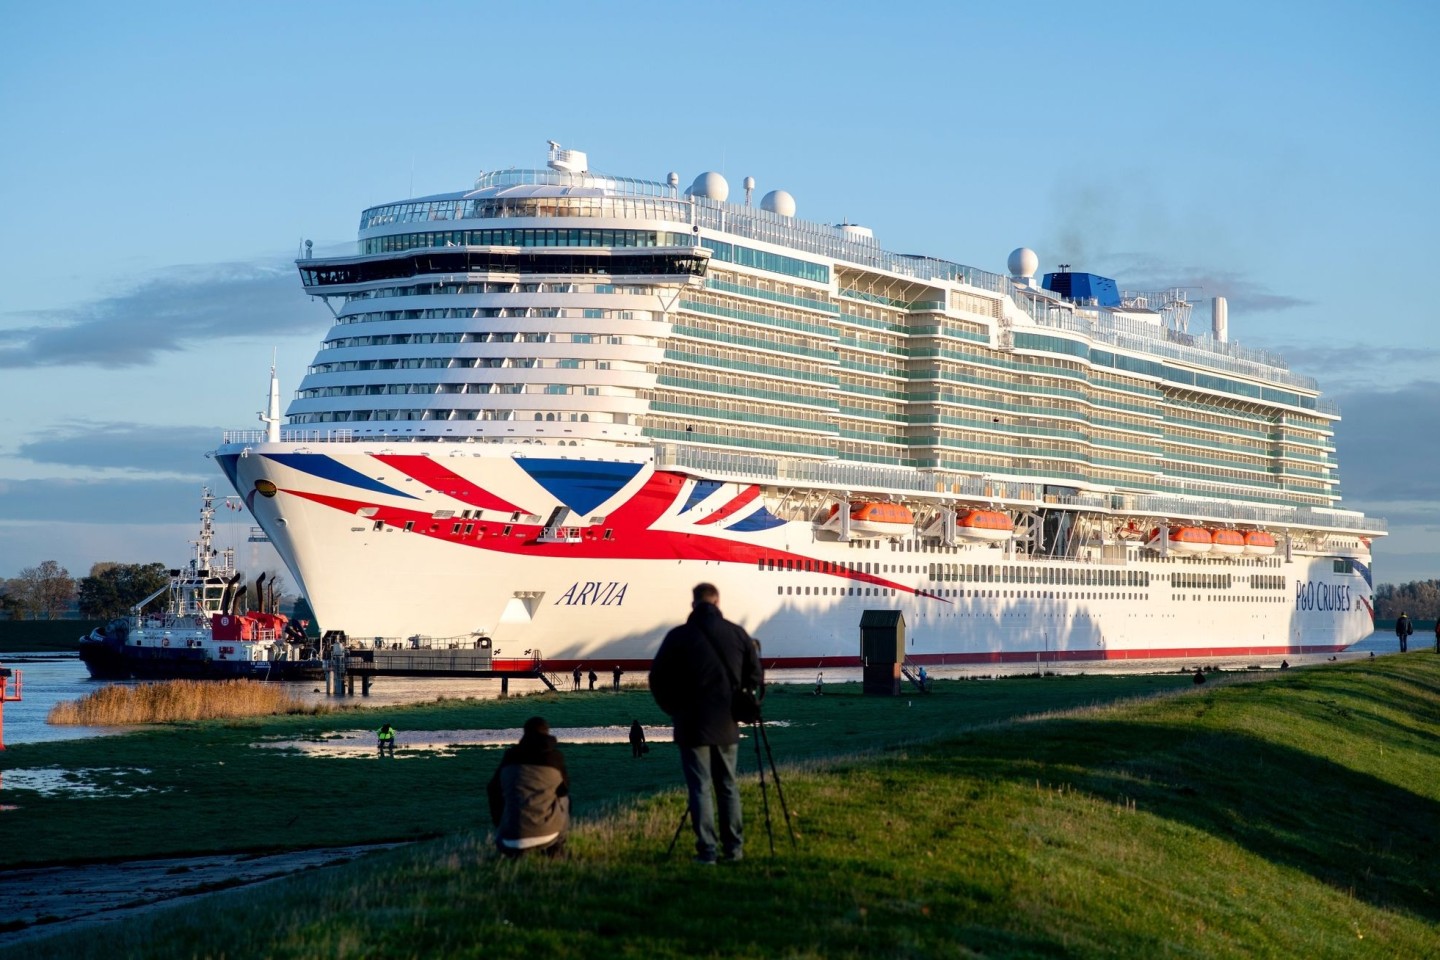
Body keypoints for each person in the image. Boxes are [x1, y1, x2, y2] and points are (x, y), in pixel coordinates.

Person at [649, 582, 763, 865]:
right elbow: (756, 677)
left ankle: (707, 852)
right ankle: (734, 850)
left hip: (690, 724)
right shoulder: (737, 634)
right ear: (718, 601)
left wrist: (672, 709)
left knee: (699, 787)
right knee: (727, 786)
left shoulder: (678, 636)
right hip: (726, 723)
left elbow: (657, 678)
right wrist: (743, 705)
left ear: (693, 603)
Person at [486, 716, 569, 858]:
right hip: (549, 834)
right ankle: (557, 846)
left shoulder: (510, 757)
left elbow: (492, 789)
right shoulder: (554, 758)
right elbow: (564, 789)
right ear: (547, 733)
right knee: (565, 798)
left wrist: (499, 822)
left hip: (509, 839)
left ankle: (515, 843)